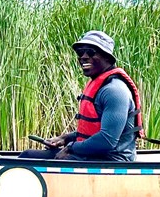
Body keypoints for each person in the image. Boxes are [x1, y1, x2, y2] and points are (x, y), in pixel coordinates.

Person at [38, 30, 141, 162]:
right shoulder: (100, 85)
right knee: (28, 155)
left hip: (112, 161)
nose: (83, 57)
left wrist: (71, 147)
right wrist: (66, 138)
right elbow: (93, 132)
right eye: (80, 52)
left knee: (29, 159)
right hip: (94, 155)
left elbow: (106, 141)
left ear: (107, 58)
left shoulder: (114, 91)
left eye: (91, 52)